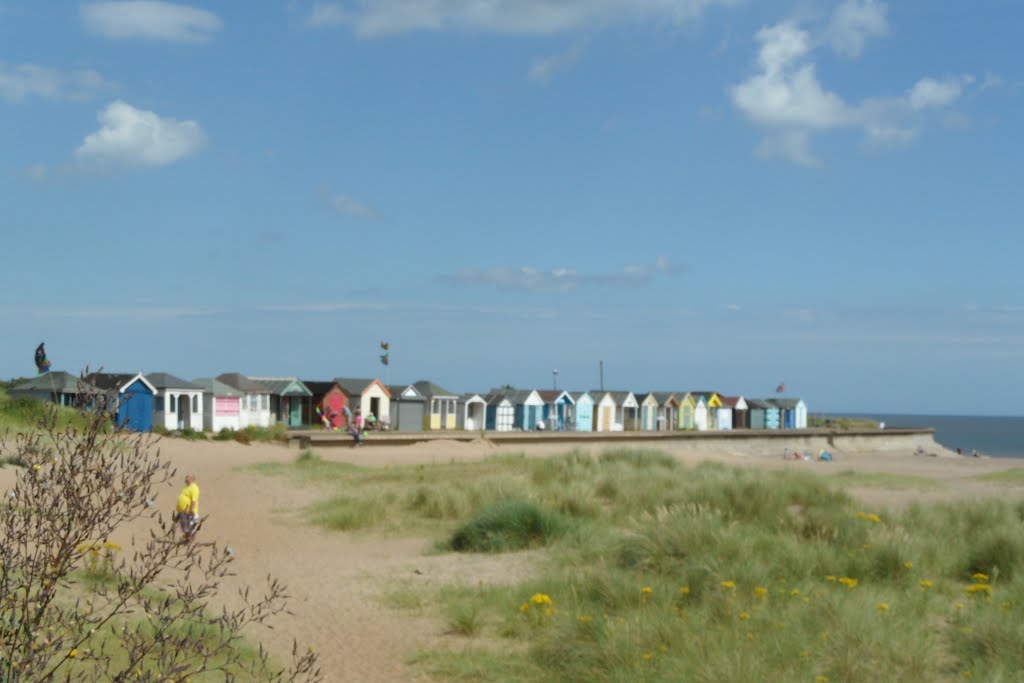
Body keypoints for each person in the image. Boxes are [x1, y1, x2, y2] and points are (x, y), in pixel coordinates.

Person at [175, 473, 200, 542]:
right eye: (186, 477)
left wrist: (191, 510)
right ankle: (187, 538)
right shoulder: (186, 487)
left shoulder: (194, 488)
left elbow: (194, 500)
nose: (186, 478)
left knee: (188, 526)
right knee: (185, 526)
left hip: (188, 511)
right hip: (182, 511)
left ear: (192, 479)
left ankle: (190, 539)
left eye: (187, 477)